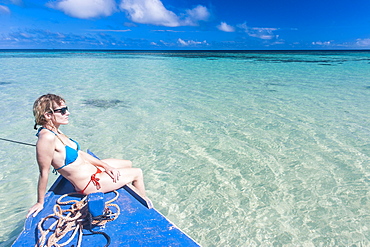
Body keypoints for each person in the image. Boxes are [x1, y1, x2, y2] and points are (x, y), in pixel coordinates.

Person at [27, 94, 147, 218]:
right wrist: (40, 202)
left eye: (66, 109)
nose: (67, 113)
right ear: (48, 115)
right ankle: (145, 209)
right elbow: (44, 173)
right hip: (90, 183)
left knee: (128, 163)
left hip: (93, 171)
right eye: (62, 111)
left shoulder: (56, 130)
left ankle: (135, 193)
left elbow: (79, 153)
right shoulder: (46, 138)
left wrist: (105, 166)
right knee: (137, 173)